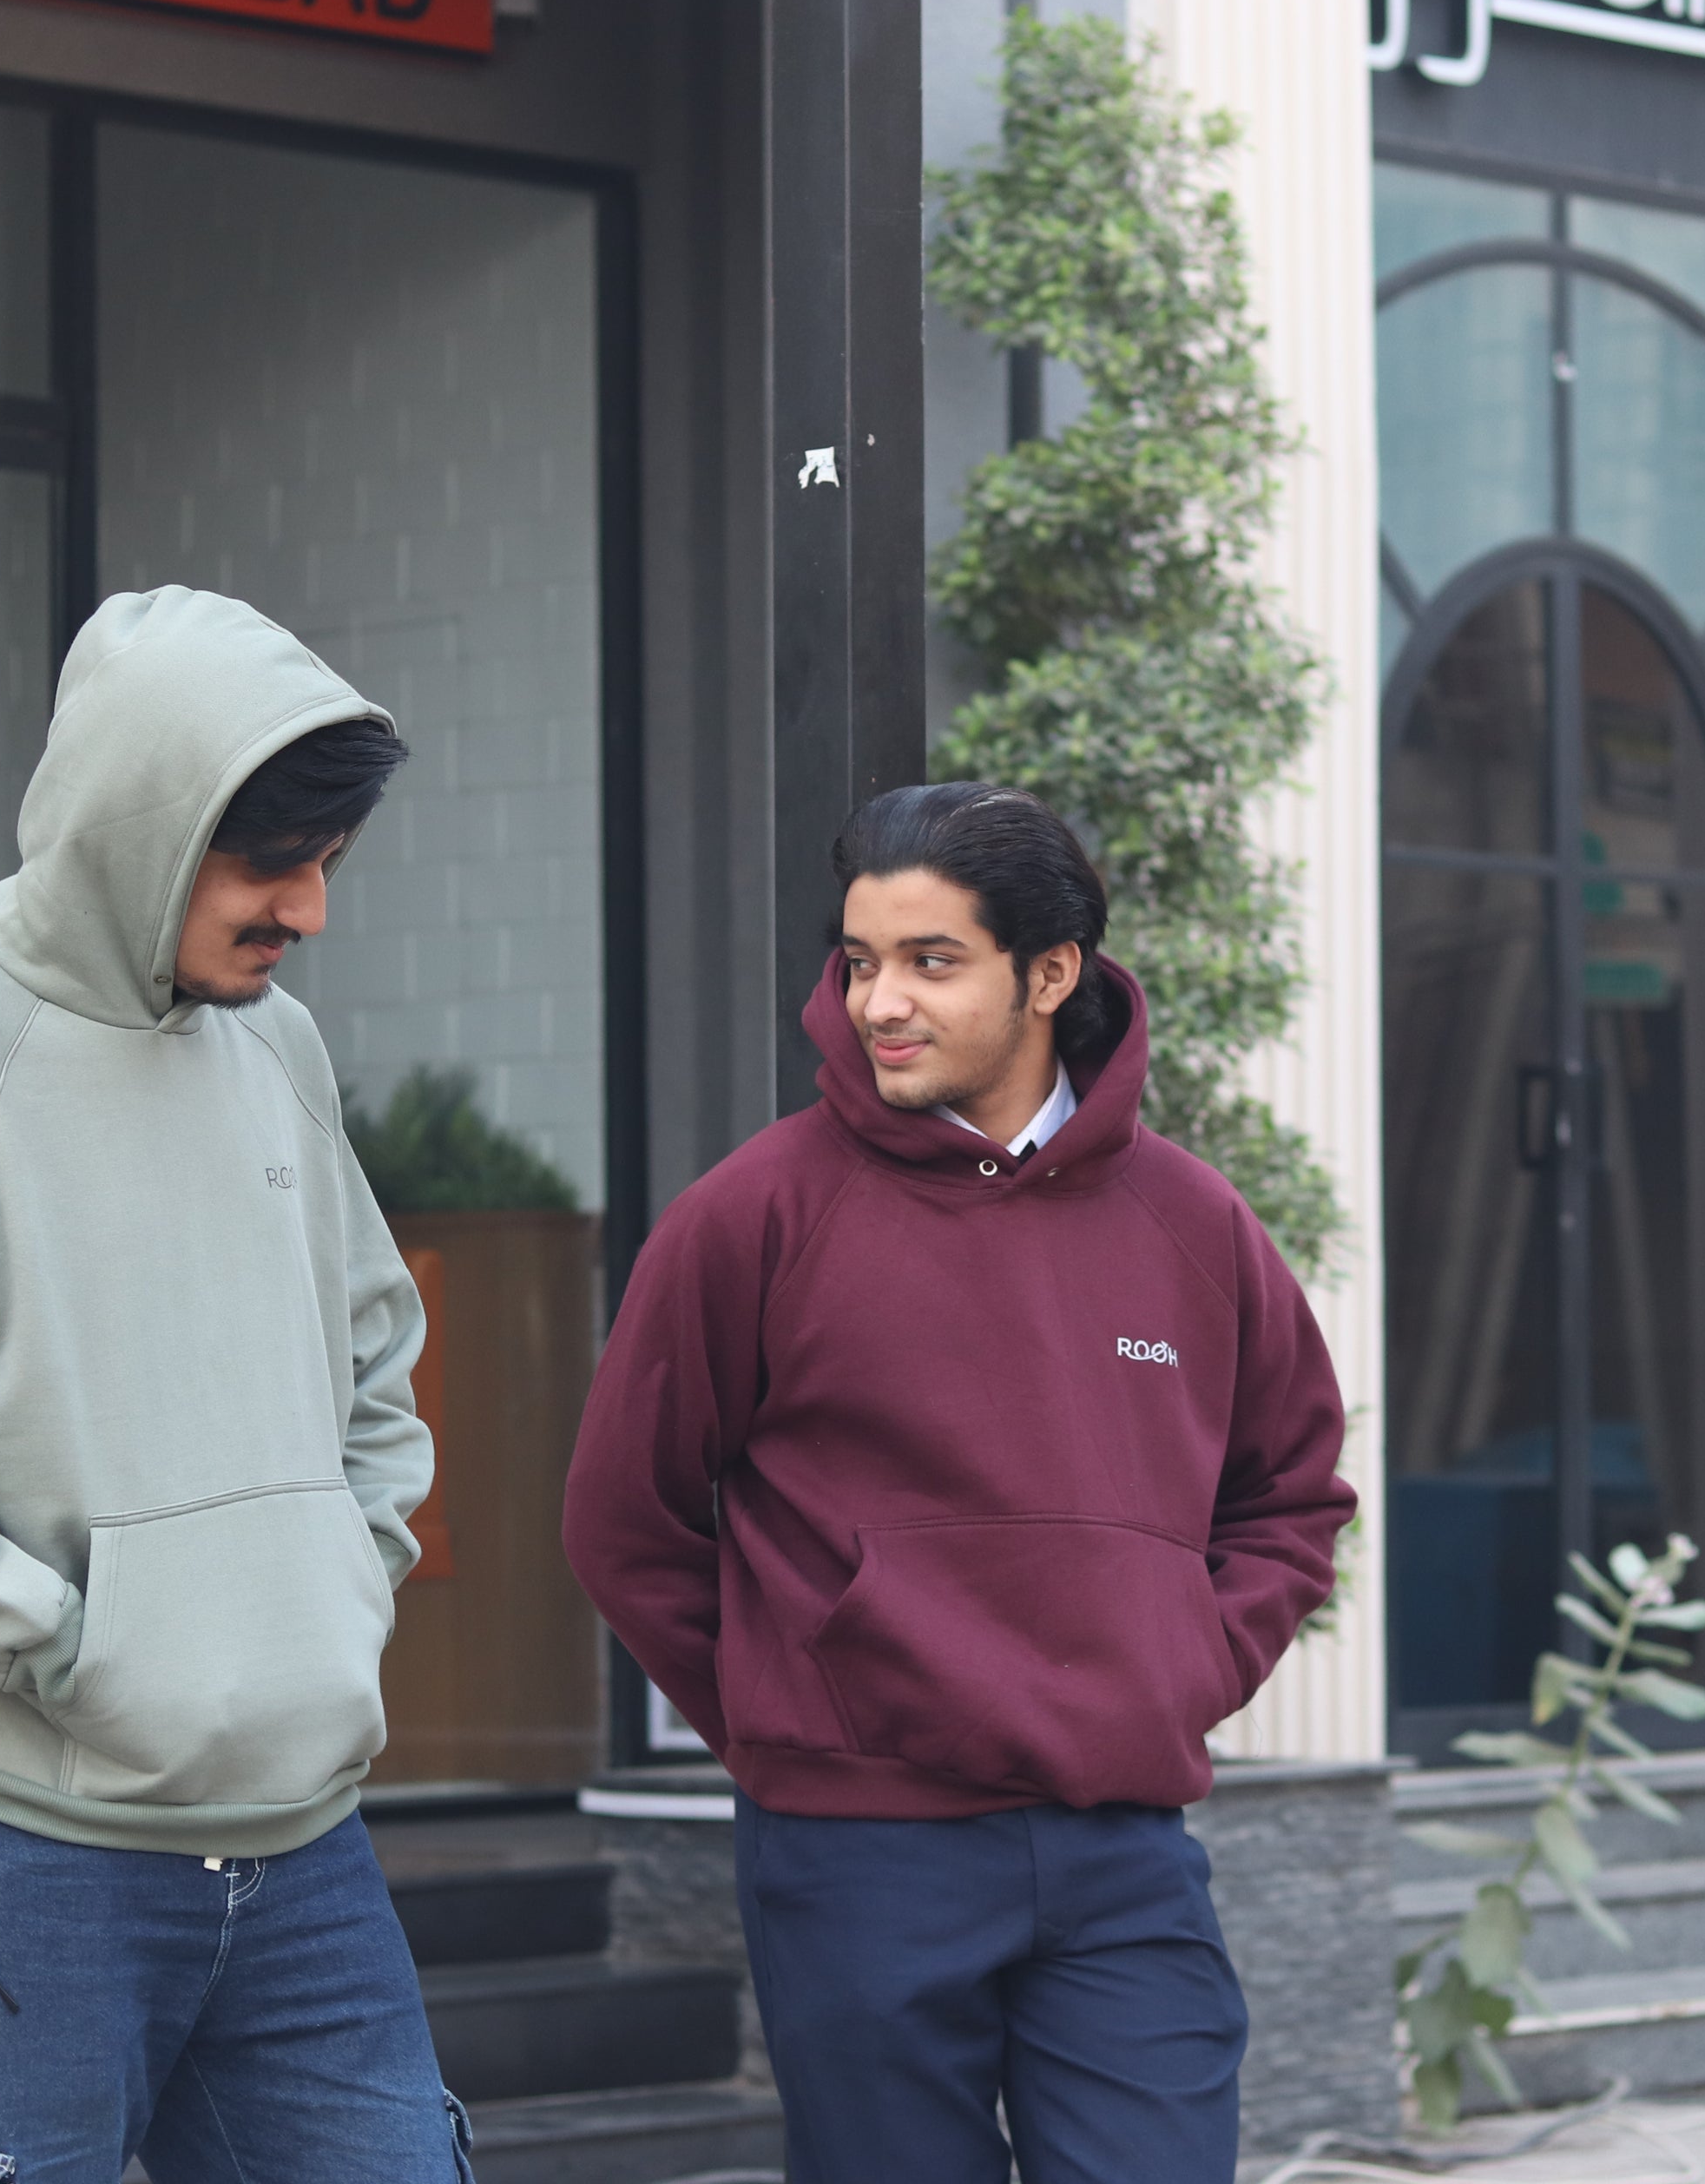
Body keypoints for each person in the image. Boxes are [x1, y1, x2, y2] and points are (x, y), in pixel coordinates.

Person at [0, 586, 468, 2182]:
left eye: (328, 866)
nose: (311, 912)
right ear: (144, 830)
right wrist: (70, 1645)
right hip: (12, 1839)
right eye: (273, 868)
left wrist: (338, 1587)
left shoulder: (278, 1050)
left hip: (301, 1834)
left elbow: (375, 1357)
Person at [564, 781, 1352, 2184]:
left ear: (1050, 973)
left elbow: (1289, 1491)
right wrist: (798, 1713)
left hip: (1124, 1853)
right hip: (864, 1858)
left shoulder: (1193, 1223)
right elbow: (626, 1523)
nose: (880, 1004)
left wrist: (1177, 1665)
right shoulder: (753, 1217)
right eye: (862, 962)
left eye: (932, 962)